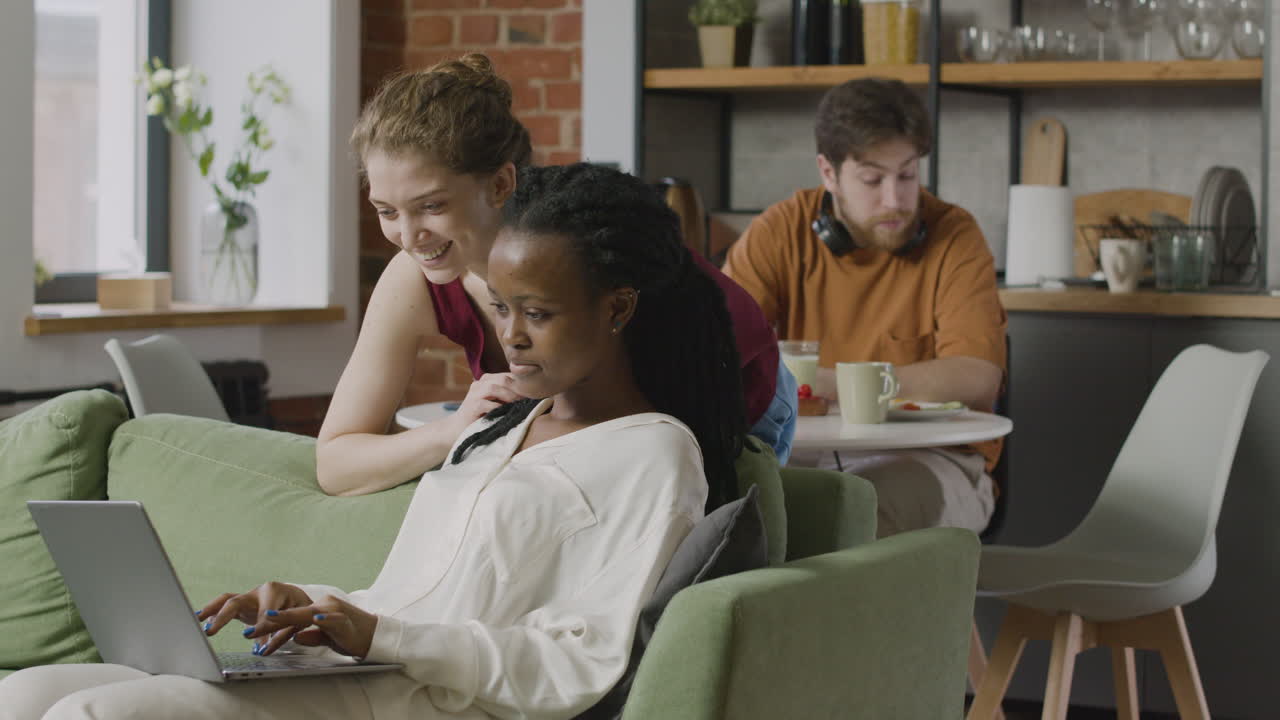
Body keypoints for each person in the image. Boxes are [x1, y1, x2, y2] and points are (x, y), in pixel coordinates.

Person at [0, 164, 749, 720]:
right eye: (501, 307)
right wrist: (312, 605)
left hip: (433, 701)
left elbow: (578, 661)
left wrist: (378, 636)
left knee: (93, 714)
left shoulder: (653, 454)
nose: (511, 336)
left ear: (617, 308)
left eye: (538, 313)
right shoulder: (500, 427)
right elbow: (412, 598)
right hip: (361, 672)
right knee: (24, 693)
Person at [317, 54, 793, 499]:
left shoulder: (589, 255)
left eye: (431, 206)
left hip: (735, 392)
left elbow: (646, 447)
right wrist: (453, 431)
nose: (408, 236)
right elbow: (336, 462)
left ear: (500, 184)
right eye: (386, 211)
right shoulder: (413, 278)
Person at [721, 77, 1007, 538]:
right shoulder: (780, 231)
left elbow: (976, 379)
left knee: (854, 512)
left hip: (934, 460)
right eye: (873, 179)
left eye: (907, 175)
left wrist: (821, 384)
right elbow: (717, 350)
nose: (895, 200)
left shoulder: (955, 235)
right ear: (828, 173)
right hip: (802, 453)